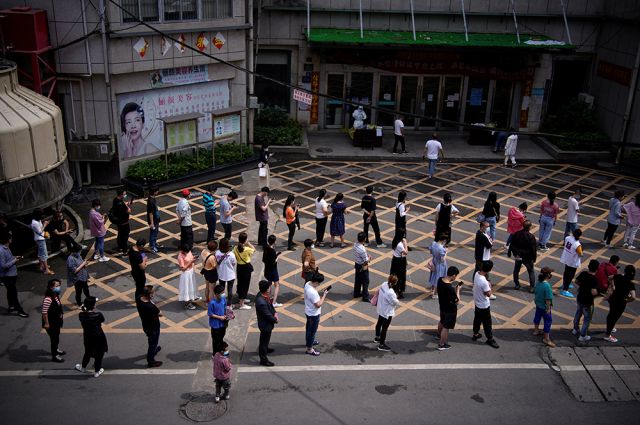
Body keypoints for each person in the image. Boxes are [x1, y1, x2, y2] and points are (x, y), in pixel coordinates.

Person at [75, 296, 108, 378]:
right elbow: (102, 320)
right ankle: (97, 371)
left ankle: (83, 368)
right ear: (93, 306)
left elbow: (84, 312)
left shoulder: (81, 315)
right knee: (99, 354)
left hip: (87, 337)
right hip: (99, 336)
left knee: (88, 352)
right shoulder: (98, 315)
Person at [604, 265, 636, 343]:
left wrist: (613, 285)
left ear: (625, 271)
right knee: (614, 317)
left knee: (611, 314)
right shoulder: (630, 284)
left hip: (613, 298)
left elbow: (609, 277)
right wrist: (626, 300)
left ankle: (609, 329)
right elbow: (633, 297)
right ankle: (608, 335)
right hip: (621, 302)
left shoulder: (618, 276)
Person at [472, 261, 499, 349]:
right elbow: (488, 294)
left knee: (477, 319)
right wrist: (490, 286)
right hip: (483, 305)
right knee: (487, 323)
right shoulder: (484, 282)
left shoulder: (477, 274)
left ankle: (475, 333)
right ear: (490, 270)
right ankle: (490, 339)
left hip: (477, 302)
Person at [0, 232, 28, 317]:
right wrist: (14, 261)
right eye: (10, 238)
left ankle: (11, 306)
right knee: (13, 293)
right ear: (8, 240)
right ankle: (20, 310)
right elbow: (3, 265)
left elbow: (8, 259)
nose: (11, 239)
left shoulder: (6, 247)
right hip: (7, 276)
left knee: (10, 291)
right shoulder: (1, 251)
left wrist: (14, 257)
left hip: (11, 274)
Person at [573, 259, 599, 343]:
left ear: (588, 267)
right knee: (587, 319)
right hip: (587, 302)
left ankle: (575, 329)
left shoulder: (583, 273)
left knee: (578, 313)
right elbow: (593, 292)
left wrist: (583, 286)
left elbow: (576, 281)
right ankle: (583, 335)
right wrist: (599, 293)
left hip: (580, 297)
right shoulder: (594, 279)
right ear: (597, 269)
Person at [136, 285, 163, 367]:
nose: (153, 293)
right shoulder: (150, 306)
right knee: (153, 343)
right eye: (152, 293)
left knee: (151, 340)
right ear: (149, 295)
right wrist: (153, 303)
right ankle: (151, 360)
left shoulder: (139, 299)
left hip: (145, 324)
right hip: (153, 327)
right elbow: (160, 314)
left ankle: (153, 350)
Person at [436, 266, 461, 351]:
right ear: (453, 275)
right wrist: (457, 290)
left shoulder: (440, 280)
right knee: (446, 327)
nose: (456, 277)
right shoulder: (449, 288)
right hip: (450, 310)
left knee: (442, 321)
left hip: (442, 306)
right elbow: (457, 302)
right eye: (456, 276)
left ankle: (439, 335)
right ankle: (442, 344)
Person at [509, 220, 537, 292]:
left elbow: (512, 244)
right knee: (530, 271)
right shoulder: (531, 236)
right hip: (527, 257)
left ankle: (517, 284)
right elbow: (533, 249)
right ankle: (532, 287)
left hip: (518, 256)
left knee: (516, 270)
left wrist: (514, 253)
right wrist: (534, 258)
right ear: (530, 227)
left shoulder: (517, 234)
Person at [304, 271, 328, 356]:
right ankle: (309, 349)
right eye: (319, 283)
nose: (319, 284)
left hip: (308, 311)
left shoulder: (307, 284)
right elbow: (318, 304)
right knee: (312, 331)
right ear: (316, 282)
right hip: (313, 314)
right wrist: (324, 295)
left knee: (308, 329)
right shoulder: (312, 292)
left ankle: (309, 342)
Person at [374, 274, 400, 352]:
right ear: (394, 283)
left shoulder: (384, 284)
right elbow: (395, 302)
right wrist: (396, 297)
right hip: (387, 312)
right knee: (384, 328)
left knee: (379, 323)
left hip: (381, 308)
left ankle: (377, 337)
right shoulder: (391, 293)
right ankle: (381, 345)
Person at [42, 278, 65, 362]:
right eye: (57, 286)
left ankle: (56, 349)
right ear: (51, 287)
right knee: (54, 339)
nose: (59, 287)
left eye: (59, 285)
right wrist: (47, 324)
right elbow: (44, 313)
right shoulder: (48, 299)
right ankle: (55, 356)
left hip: (56, 321)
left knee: (56, 337)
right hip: (51, 323)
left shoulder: (55, 294)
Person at [255, 280, 278, 366]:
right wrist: (275, 319)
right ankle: (263, 359)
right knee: (263, 341)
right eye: (269, 287)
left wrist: (275, 312)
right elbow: (267, 315)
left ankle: (266, 349)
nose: (270, 288)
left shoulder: (263, 295)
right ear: (267, 289)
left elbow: (270, 305)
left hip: (267, 323)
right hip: (265, 325)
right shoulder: (261, 302)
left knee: (266, 340)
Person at [532, 266, 555, 347]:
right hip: (544, 307)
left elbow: (535, 291)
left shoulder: (538, 282)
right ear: (548, 275)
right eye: (550, 273)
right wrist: (548, 308)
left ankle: (536, 330)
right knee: (548, 321)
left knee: (537, 317)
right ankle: (546, 338)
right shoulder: (547, 286)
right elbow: (548, 299)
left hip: (538, 304)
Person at [559, 228, 584, 298]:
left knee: (566, 272)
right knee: (570, 275)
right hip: (572, 261)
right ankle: (565, 289)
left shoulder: (567, 238)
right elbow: (581, 254)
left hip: (566, 258)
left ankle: (565, 284)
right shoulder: (577, 244)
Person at [233, 232, 255, 310]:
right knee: (245, 285)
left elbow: (234, 255)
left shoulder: (235, 248)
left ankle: (242, 298)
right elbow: (254, 249)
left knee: (240, 283)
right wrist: (248, 243)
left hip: (239, 267)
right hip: (246, 268)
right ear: (245, 240)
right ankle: (241, 304)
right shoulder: (247, 249)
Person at [31, 208, 53, 275]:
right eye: (41, 215)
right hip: (40, 239)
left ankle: (41, 266)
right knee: (44, 254)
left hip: (40, 238)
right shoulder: (34, 223)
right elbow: (40, 231)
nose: (42, 216)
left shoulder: (37, 220)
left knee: (40, 253)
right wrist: (45, 224)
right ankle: (46, 269)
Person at [263, 235, 283, 307]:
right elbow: (273, 261)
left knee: (269, 283)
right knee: (277, 285)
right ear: (274, 241)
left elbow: (264, 260)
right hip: (273, 270)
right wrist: (277, 257)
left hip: (267, 269)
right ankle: (274, 302)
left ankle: (269, 298)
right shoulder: (272, 251)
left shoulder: (266, 248)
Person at [111, 189, 132, 255]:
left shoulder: (115, 200)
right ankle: (125, 250)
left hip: (118, 222)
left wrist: (126, 204)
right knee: (125, 236)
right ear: (121, 195)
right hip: (124, 222)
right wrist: (128, 206)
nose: (125, 195)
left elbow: (121, 205)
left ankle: (120, 247)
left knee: (120, 234)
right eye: (124, 194)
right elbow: (128, 211)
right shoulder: (121, 204)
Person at [178, 244, 199, 310]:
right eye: (186, 252)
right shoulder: (180, 257)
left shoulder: (188, 251)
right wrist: (190, 262)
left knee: (192, 285)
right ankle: (187, 303)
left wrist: (194, 259)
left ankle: (193, 296)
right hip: (186, 273)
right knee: (187, 288)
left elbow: (191, 258)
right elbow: (183, 269)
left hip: (191, 271)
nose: (187, 253)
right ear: (182, 250)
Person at [216, 238, 237, 303]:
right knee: (230, 289)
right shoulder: (231, 254)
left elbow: (217, 261)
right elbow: (234, 263)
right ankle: (229, 303)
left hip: (221, 274)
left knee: (222, 290)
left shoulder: (217, 253)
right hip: (230, 275)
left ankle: (222, 302)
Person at [208, 284, 227, 353]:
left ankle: (220, 350)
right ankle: (215, 354)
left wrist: (228, 314)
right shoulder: (212, 303)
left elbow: (225, 307)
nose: (223, 294)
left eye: (223, 292)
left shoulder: (223, 299)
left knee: (221, 338)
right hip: (215, 325)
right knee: (216, 340)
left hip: (222, 324)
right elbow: (210, 314)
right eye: (222, 293)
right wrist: (220, 317)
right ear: (216, 294)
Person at [389, 231, 408, 299]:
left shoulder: (395, 241)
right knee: (400, 276)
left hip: (395, 259)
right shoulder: (400, 244)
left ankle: (395, 289)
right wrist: (405, 243)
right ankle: (398, 291)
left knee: (394, 275)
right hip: (399, 262)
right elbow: (406, 252)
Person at [353, 232, 371, 302]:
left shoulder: (355, 244)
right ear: (364, 239)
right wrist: (369, 257)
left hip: (357, 264)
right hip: (362, 266)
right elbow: (366, 261)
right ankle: (365, 296)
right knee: (365, 281)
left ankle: (356, 293)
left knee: (358, 279)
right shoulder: (362, 249)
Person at [146, 187, 161, 253]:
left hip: (156, 219)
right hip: (153, 220)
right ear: (154, 192)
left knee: (156, 232)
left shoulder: (153, 198)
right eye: (157, 191)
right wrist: (151, 223)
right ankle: (152, 247)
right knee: (153, 233)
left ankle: (154, 243)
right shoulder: (151, 201)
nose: (158, 192)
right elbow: (150, 213)